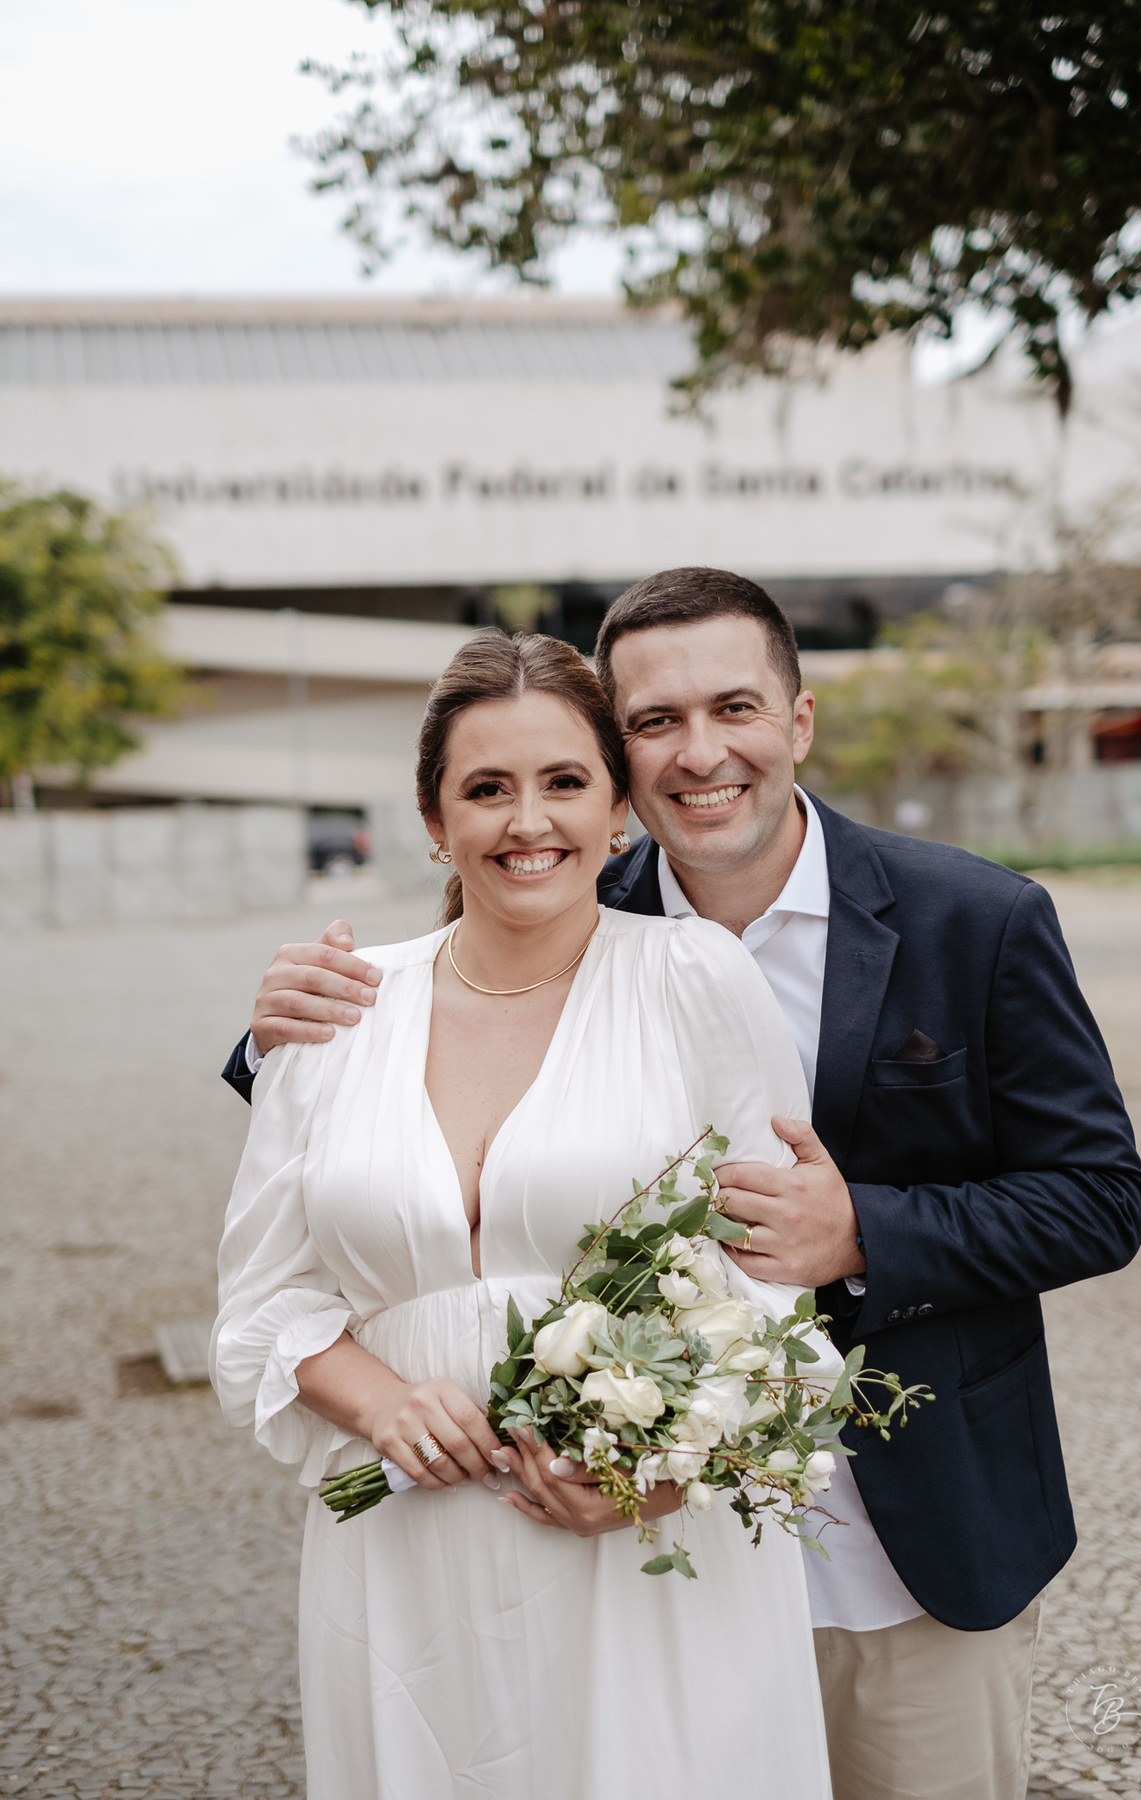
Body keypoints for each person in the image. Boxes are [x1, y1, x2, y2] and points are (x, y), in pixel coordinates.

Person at [223, 569, 1141, 1800]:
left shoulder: (970, 919)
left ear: (800, 722)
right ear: (623, 765)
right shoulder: (579, 905)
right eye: (655, 721)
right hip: (563, 1548)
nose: (699, 751)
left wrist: (860, 1229)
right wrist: (269, 1030)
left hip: (909, 1541)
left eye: (736, 709)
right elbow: (380, 1096)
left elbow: (1098, 1194)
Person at [211, 630, 841, 1800]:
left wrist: (668, 1467)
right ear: (433, 817)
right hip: (408, 1543)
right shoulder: (340, 1008)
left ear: (618, 811)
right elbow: (261, 1304)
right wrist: (385, 1402)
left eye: (563, 782)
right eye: (486, 789)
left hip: (640, 1525)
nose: (527, 821)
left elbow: (767, 1275)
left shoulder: (695, 976)